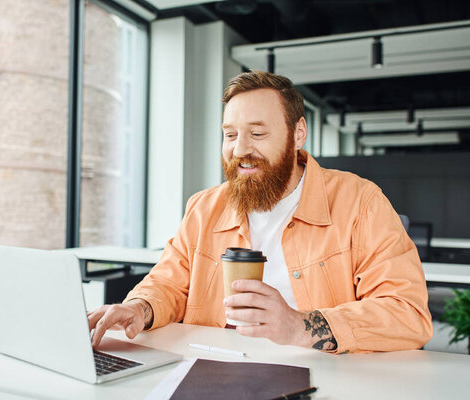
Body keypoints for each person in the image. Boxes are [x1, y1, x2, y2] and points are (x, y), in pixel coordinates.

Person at [88, 71, 433, 354]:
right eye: (230, 135)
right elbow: (168, 284)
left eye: (257, 133)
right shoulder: (204, 206)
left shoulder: (361, 202)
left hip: (326, 377)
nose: (240, 149)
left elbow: (408, 314)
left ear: (297, 134)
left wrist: (299, 326)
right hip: (214, 372)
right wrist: (138, 309)